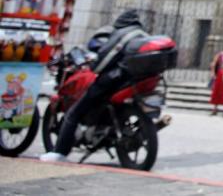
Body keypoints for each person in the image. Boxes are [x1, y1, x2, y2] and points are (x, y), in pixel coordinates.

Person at [40, 9, 147, 162]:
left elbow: (107, 56)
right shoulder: (142, 35)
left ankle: (60, 152)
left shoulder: (122, 34)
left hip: (114, 80)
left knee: (74, 112)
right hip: (132, 81)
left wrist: (95, 68)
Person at [209, 42, 223, 115]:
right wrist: (213, 73)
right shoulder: (221, 54)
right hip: (221, 74)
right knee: (217, 91)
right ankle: (215, 108)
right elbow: (214, 64)